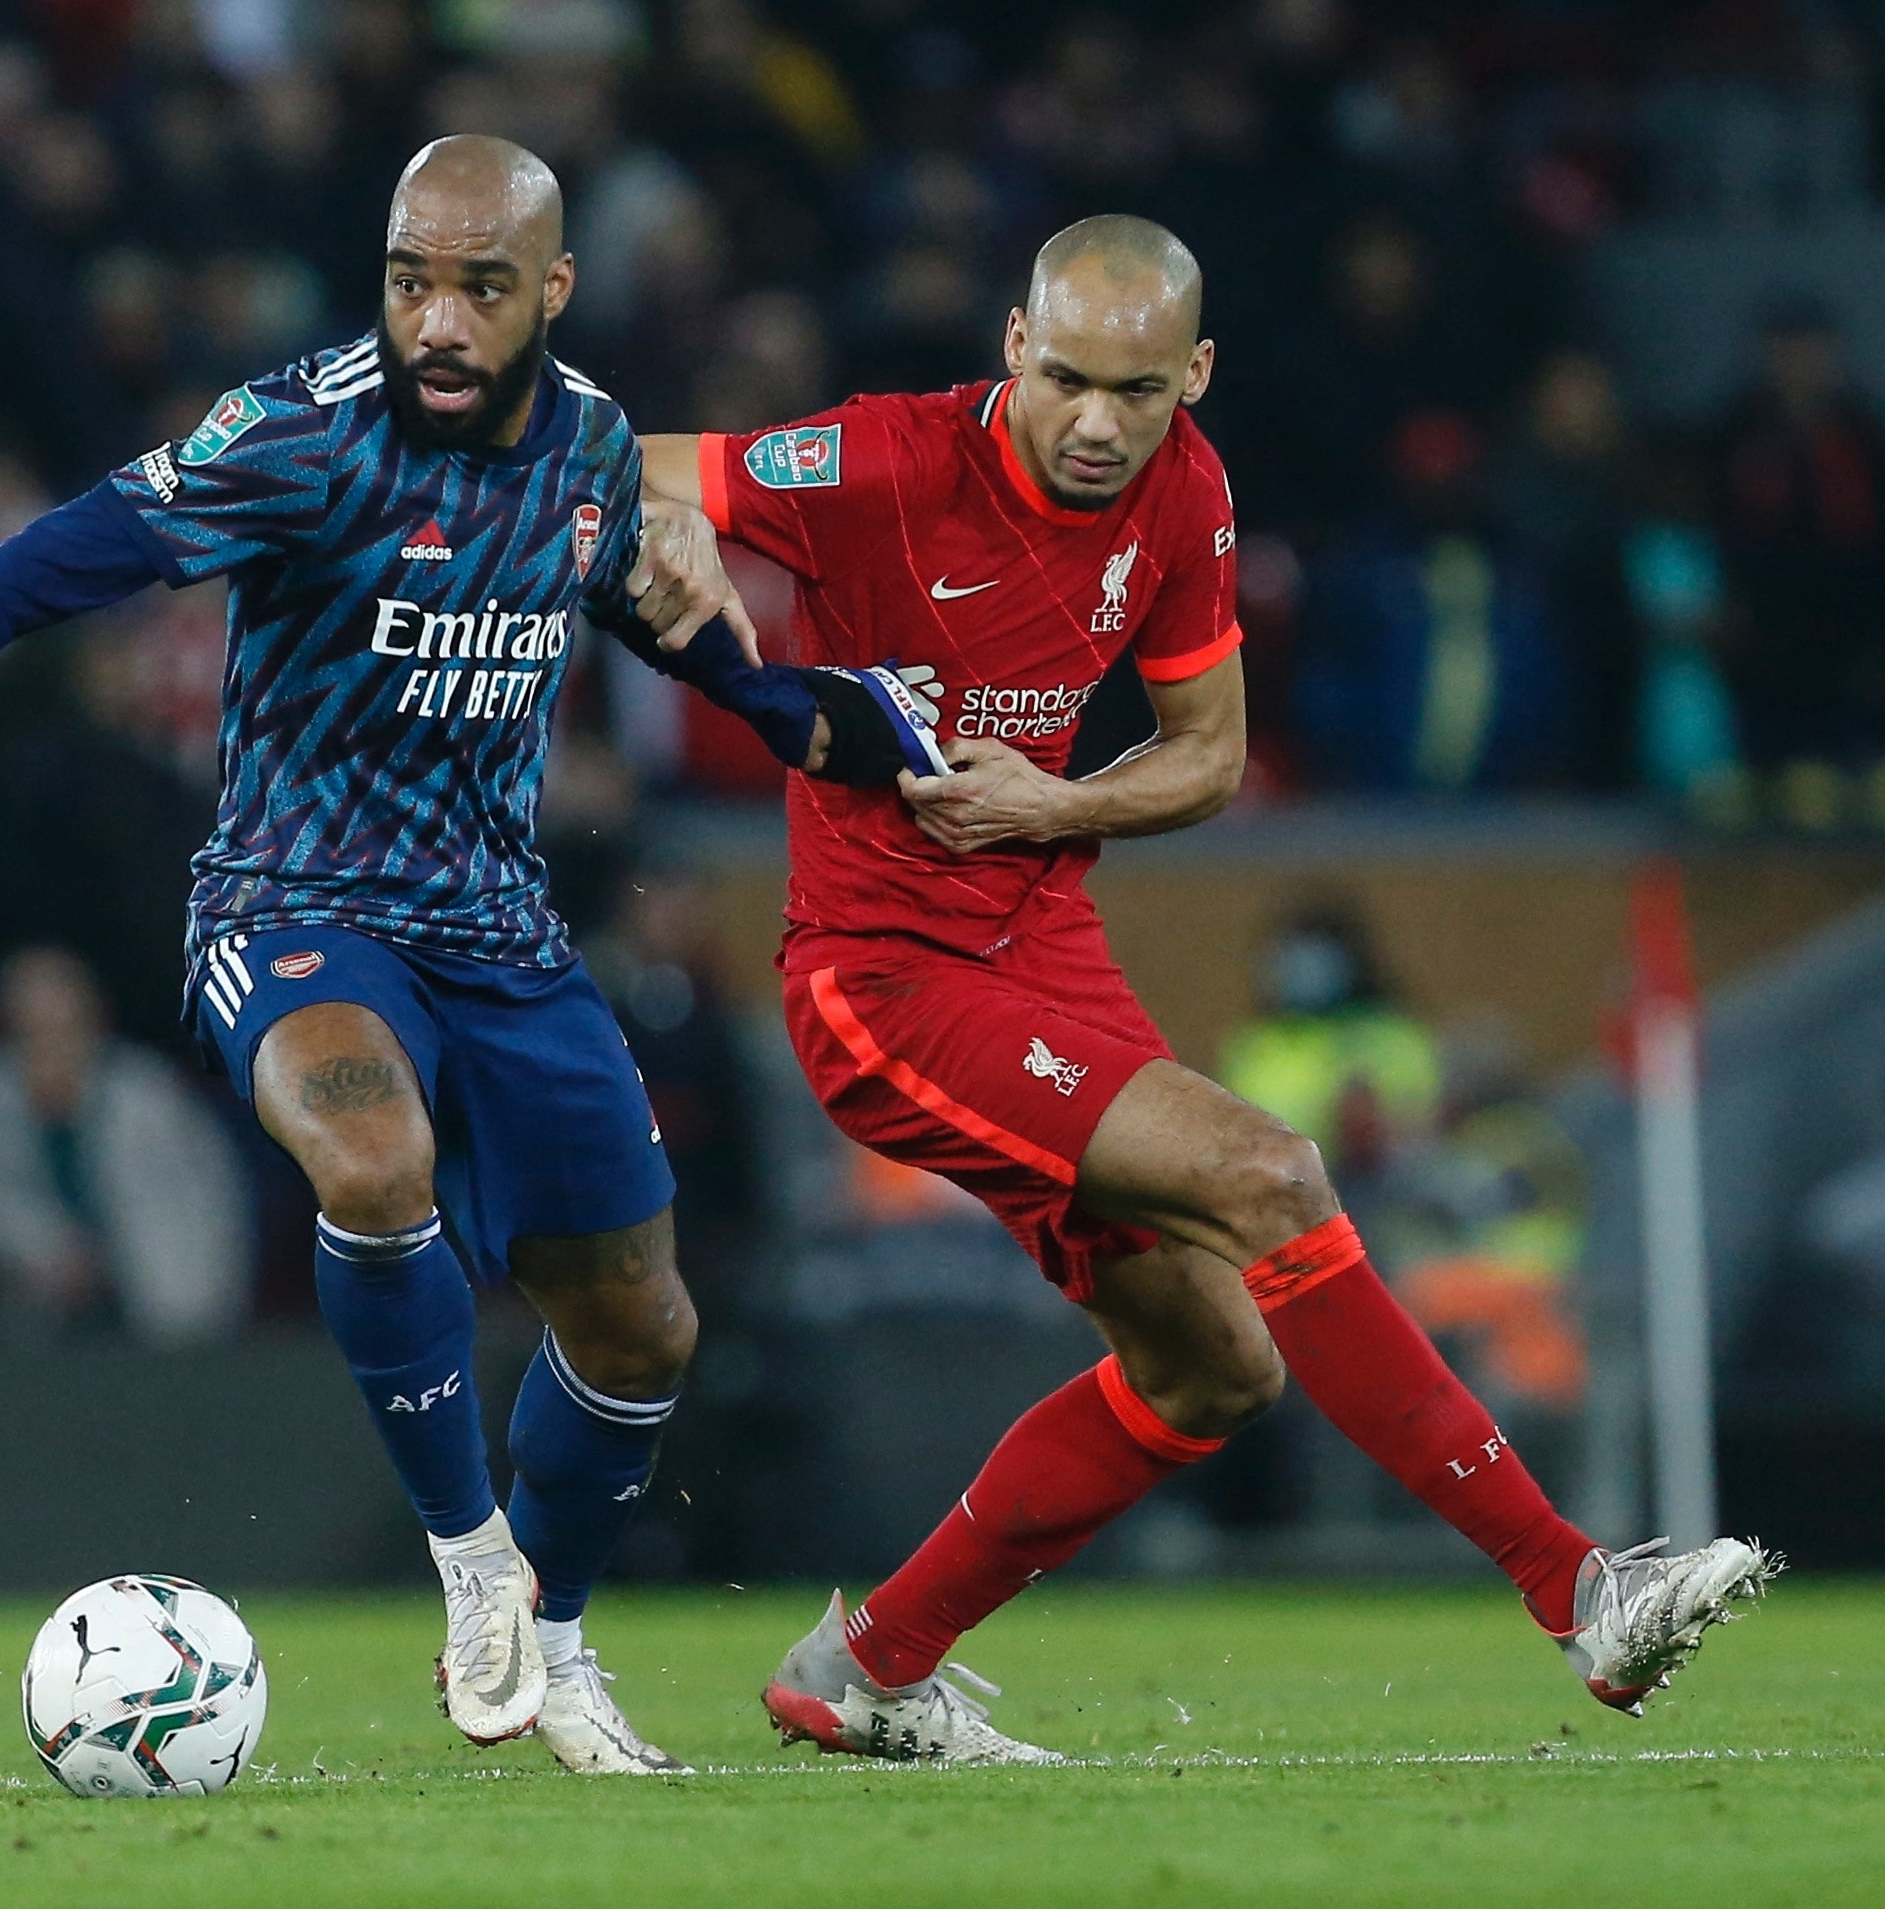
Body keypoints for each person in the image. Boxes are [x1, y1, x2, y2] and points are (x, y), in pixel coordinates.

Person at [0, 137, 826, 1775]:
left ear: (552, 292)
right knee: (370, 1151)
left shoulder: (590, 447)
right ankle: (473, 1560)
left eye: (480, 286)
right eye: (410, 274)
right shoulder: (296, 436)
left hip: (502, 931)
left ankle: (553, 1640)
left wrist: (822, 723)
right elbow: (40, 566)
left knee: (642, 1330)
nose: (433, 316)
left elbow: (659, 614)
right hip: (297, 904)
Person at [639, 214, 1775, 1765]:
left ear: (1197, 375)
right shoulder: (879, 461)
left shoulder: (1186, 490)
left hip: (1042, 945)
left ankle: (866, 1665)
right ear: (1014, 346)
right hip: (883, 977)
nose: (1100, 424)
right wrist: (666, 533)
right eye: (1072, 382)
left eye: (1140, 391)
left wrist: (1048, 804)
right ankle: (1575, 1583)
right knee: (1268, 1171)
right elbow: (618, 460)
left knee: (1212, 1366)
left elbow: (1208, 760)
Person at [0, 946, 250, 1343]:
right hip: (29, 1321)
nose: (53, 1046)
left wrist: (205, 1306)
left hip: (161, 1312)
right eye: (35, 1030)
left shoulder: (146, 1094)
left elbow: (214, 1201)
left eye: (66, 1028)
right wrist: (43, 1252)